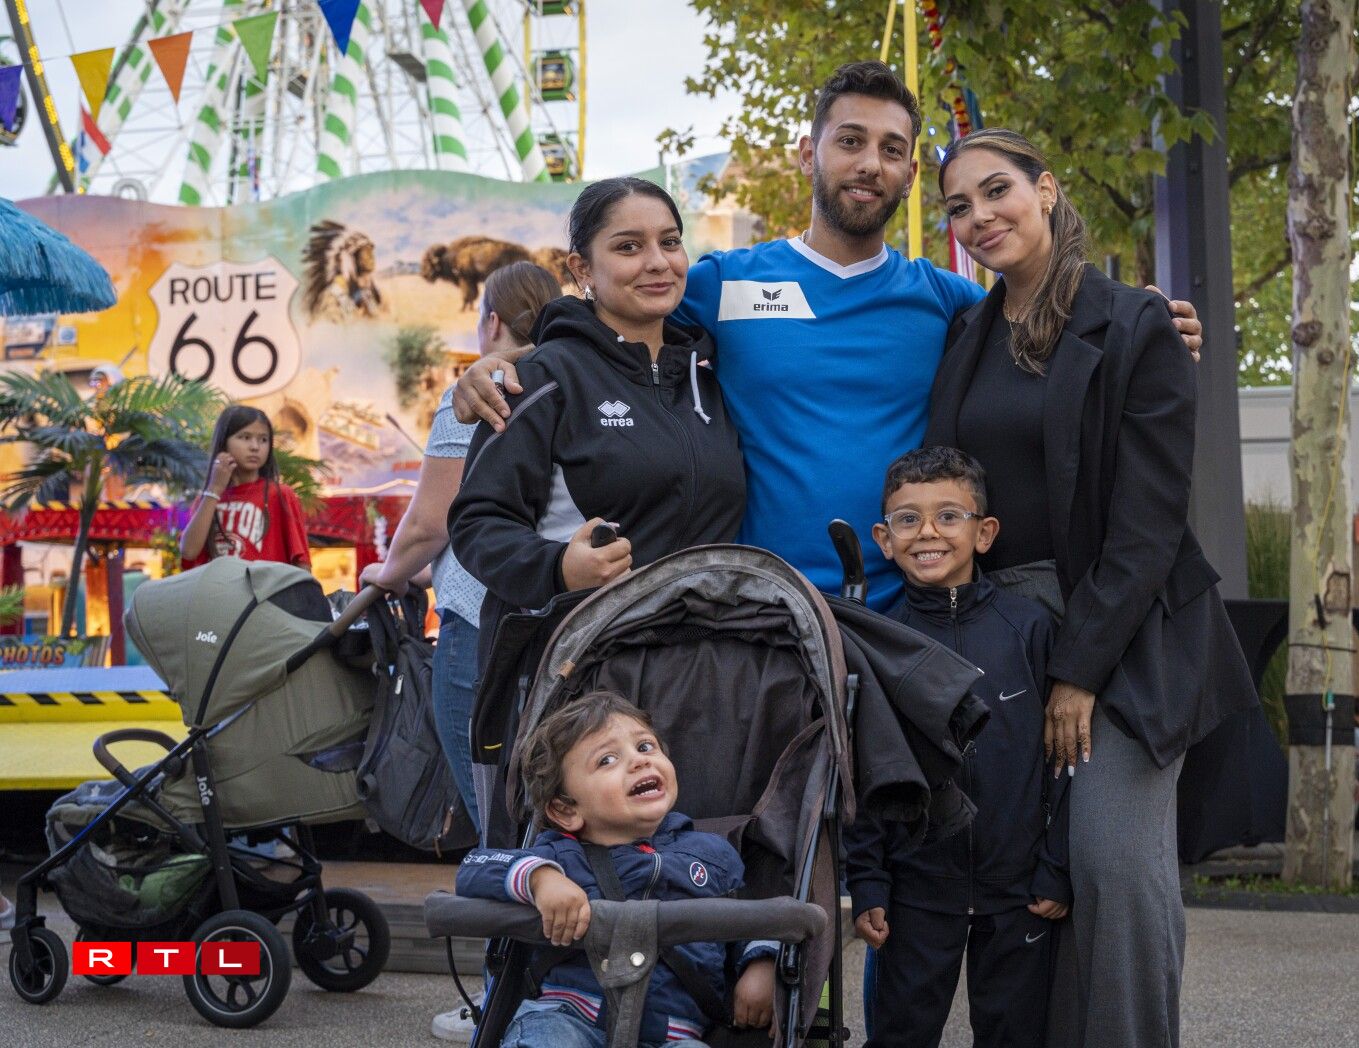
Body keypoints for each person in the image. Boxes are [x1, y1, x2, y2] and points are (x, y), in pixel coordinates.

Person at [448, 61, 1203, 612]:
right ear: (810, 155)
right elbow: (614, 328)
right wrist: (505, 364)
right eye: (850, 140)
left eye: (892, 149)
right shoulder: (720, 283)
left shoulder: (950, 301)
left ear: (911, 175)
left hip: (914, 612)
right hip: (761, 614)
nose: (870, 163)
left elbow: (1054, 329)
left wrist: (1141, 325)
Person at [927, 128, 1254, 1048]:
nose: (981, 217)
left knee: (1113, 865)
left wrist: (1079, 671)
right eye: (959, 207)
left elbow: (1149, 523)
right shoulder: (966, 332)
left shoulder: (1136, 322)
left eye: (997, 191)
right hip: (1003, 639)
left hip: (1126, 631)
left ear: (1046, 189)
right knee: (1036, 882)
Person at [358, 260, 560, 1044]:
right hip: (556, 623)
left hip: (481, 626)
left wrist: (385, 574)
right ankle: (557, 988)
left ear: (492, 320)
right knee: (550, 812)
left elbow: (431, 520)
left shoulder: (477, 387)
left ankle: (506, 996)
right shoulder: (570, 379)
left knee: (495, 820)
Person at [447, 177, 745, 660]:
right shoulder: (541, 381)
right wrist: (558, 568)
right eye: (629, 247)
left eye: (670, 242)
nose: (658, 262)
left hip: (701, 671)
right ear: (582, 268)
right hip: (578, 672)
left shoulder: (708, 382)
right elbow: (477, 522)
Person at [847, 447, 1068, 1048]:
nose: (928, 533)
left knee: (1014, 1035)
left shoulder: (1030, 629)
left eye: (949, 516)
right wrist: (868, 880)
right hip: (915, 892)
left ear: (984, 533)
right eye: (908, 519)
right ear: (884, 539)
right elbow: (864, 770)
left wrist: (1056, 866)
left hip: (1019, 891)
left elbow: (1062, 760)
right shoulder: (879, 641)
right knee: (901, 1034)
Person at [455, 691, 777, 1047]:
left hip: (671, 1034)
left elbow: (754, 915)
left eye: (645, 746)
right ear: (566, 810)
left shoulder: (712, 855)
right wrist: (540, 879)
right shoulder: (559, 855)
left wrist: (762, 963)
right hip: (569, 1017)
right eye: (607, 760)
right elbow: (474, 867)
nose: (639, 761)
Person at [179, 405, 309, 569]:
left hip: (267, 586)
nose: (255, 447)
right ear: (224, 444)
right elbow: (189, 552)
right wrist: (214, 489)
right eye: (245, 437)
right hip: (219, 586)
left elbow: (301, 561)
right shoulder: (207, 500)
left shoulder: (280, 495)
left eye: (263, 439)